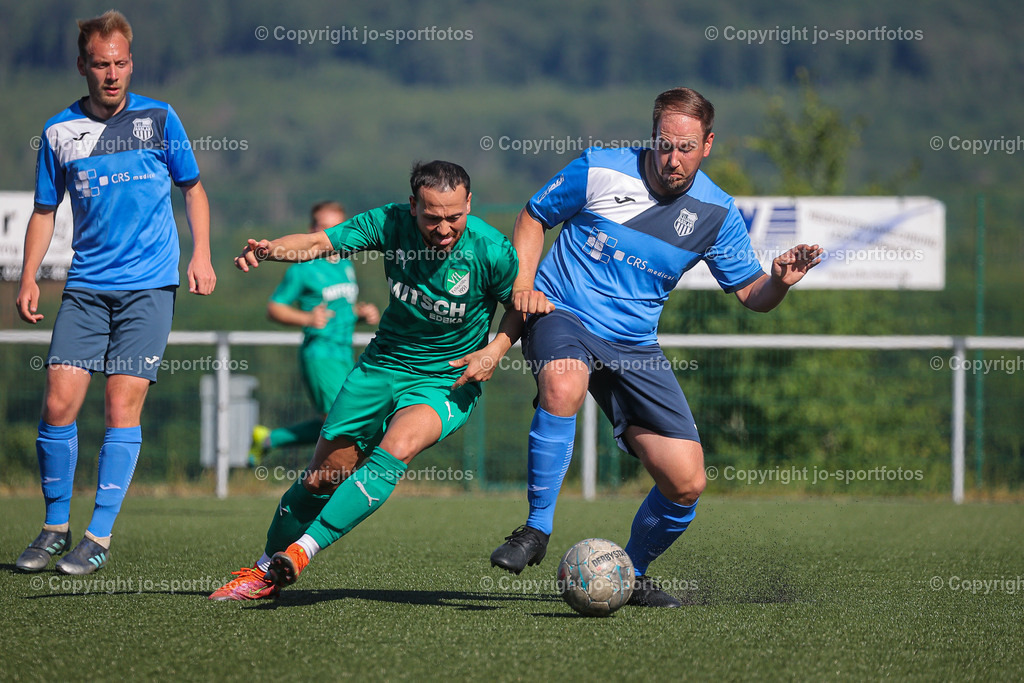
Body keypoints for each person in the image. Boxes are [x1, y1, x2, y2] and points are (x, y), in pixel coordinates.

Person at [488, 87, 822, 607]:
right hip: (564, 314)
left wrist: (779, 280)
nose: (673, 158)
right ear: (652, 137)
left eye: (686, 147)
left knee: (686, 481)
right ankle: (534, 530)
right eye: (665, 145)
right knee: (563, 382)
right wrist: (524, 286)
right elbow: (533, 216)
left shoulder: (716, 213)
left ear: (707, 144)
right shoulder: (600, 168)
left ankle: (631, 572)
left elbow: (752, 294)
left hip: (634, 345)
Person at [209, 160, 519, 600]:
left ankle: (302, 551)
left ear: (470, 202)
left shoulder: (491, 249)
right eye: (432, 217)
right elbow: (320, 241)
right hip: (381, 366)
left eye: (455, 216)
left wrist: (496, 350)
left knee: (398, 447)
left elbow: (520, 304)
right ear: (413, 207)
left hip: (445, 380)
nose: (445, 227)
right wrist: (271, 250)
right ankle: (264, 570)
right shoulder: (389, 223)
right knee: (323, 477)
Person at [14, 10, 216, 575]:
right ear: (83, 65)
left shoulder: (160, 117)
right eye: (101, 65)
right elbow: (44, 211)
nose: (111, 74)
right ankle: (55, 527)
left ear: (132, 64)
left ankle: (97, 536)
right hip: (84, 287)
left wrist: (200, 254)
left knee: (119, 406)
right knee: (58, 402)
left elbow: (194, 190)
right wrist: (30, 275)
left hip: (149, 287)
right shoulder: (58, 132)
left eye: (120, 64)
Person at [248, 201, 380, 466]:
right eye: (324, 228)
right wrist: (307, 318)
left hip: (344, 353)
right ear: (312, 230)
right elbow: (274, 307)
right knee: (346, 424)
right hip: (320, 354)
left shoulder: (344, 264)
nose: (331, 233)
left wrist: (359, 313)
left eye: (337, 228)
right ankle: (326, 484)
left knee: (338, 421)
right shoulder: (302, 268)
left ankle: (269, 440)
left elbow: (338, 306)